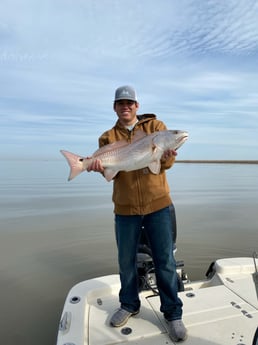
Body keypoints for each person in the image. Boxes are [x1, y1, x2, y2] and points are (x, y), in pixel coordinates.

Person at [87, 85, 187, 342]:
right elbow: (111, 172)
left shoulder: (156, 128)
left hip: (158, 205)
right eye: (121, 103)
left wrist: (167, 155)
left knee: (165, 261)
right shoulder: (107, 137)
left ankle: (173, 313)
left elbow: (162, 166)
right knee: (125, 261)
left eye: (130, 103)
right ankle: (129, 304)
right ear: (115, 107)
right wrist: (98, 167)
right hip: (125, 208)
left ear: (137, 106)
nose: (126, 107)